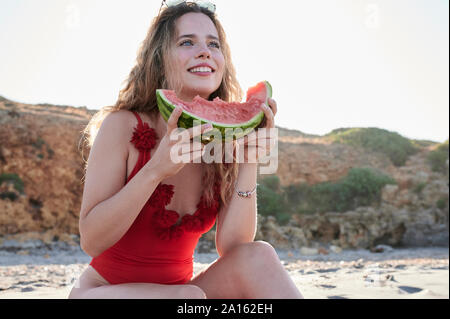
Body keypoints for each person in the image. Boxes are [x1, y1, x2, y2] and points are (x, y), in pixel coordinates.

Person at [69, 1, 303, 299]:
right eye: (187, 42)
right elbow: (91, 240)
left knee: (259, 255)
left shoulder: (224, 141)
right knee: (188, 298)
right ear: (160, 58)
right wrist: (154, 171)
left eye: (213, 44)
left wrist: (248, 162)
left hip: (182, 293)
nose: (204, 51)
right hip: (103, 293)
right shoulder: (122, 125)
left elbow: (234, 248)